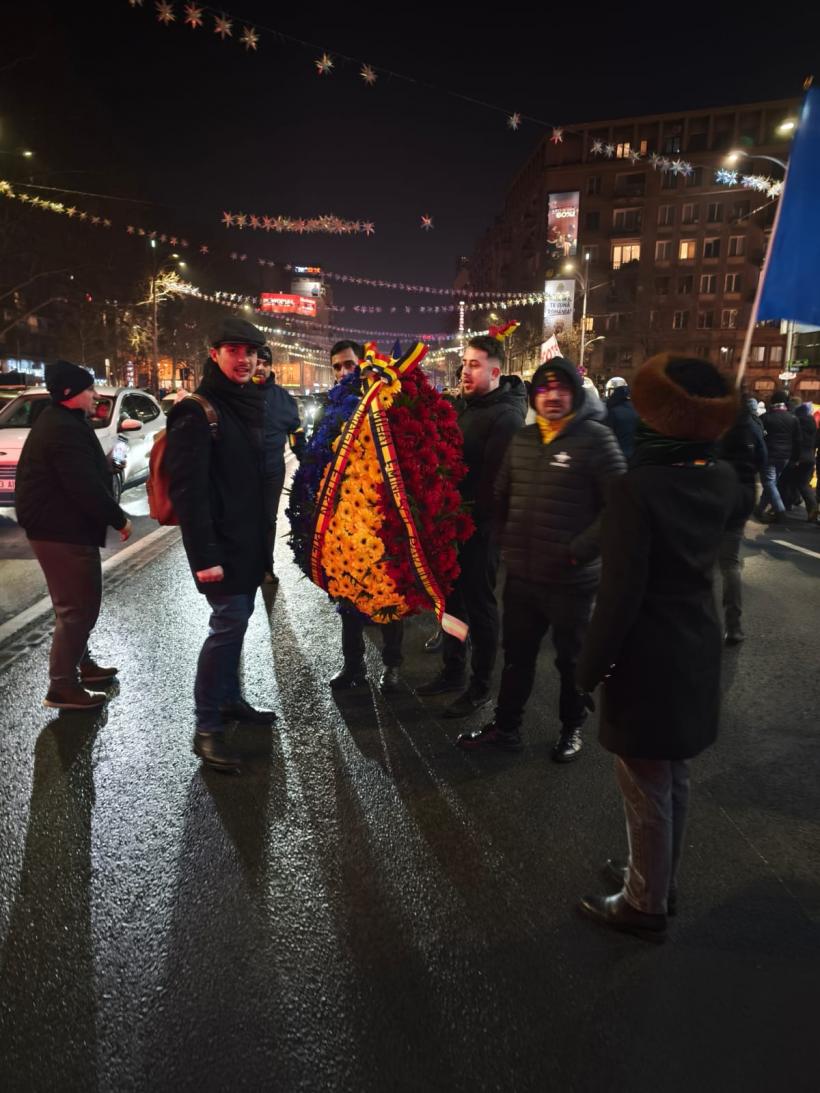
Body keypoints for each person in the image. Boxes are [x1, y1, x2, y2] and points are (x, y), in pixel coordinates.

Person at [575, 354, 741, 943]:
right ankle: (658, 878)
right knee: (673, 775)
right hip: (696, 644)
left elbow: (619, 596)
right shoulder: (720, 478)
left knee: (645, 783)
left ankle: (643, 903)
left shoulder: (638, 488)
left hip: (648, 658)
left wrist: (587, 668)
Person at [456, 357, 626, 759]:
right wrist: (505, 541)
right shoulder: (526, 439)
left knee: (571, 662)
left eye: (561, 389)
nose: (552, 397)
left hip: (572, 580)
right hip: (523, 576)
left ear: (575, 395)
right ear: (535, 395)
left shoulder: (596, 439)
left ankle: (571, 729)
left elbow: (620, 507)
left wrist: (577, 552)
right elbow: (501, 494)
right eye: (544, 389)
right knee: (516, 657)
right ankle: (507, 726)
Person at [166, 317, 275, 773]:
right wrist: (205, 557)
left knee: (239, 624)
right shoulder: (198, 409)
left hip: (248, 541)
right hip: (222, 547)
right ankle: (206, 726)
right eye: (234, 350)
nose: (245, 359)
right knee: (227, 627)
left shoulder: (248, 402)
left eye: (251, 352)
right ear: (215, 354)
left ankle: (229, 701)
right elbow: (188, 492)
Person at [417, 335, 527, 717]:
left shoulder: (506, 417)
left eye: (475, 364)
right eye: (464, 362)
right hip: (453, 527)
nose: (465, 370)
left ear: (495, 371)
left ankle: (480, 685)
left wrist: (467, 522)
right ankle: (453, 670)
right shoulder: (464, 407)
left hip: (480, 531)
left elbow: (496, 487)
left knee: (480, 607)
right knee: (452, 605)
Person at [15, 359, 132, 709]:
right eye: (89, 389)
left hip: (59, 526)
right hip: (62, 530)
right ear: (71, 394)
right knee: (78, 608)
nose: (94, 395)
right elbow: (83, 487)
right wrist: (119, 518)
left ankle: (80, 664)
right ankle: (62, 686)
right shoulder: (62, 428)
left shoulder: (65, 421)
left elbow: (83, 470)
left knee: (73, 605)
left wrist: (109, 463)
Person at [252, 345, 305, 584]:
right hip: (241, 471)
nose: (261, 368)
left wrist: (308, 461)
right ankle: (243, 566)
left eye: (266, 363)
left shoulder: (284, 399)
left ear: (272, 367)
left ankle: (266, 568)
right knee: (241, 518)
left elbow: (295, 433)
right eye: (257, 362)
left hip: (273, 470)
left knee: (267, 520)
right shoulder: (239, 394)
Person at [717, 397, 765, 645]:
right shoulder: (752, 427)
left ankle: (697, 622)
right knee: (730, 563)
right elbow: (763, 459)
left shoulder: (716, 426)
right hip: (744, 494)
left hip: (716, 493)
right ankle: (733, 625)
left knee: (698, 560)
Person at [754, 391, 799, 525]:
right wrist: (795, 458)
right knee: (772, 483)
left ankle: (780, 511)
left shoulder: (765, 418)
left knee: (768, 483)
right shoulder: (793, 418)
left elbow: (760, 438)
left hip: (770, 454)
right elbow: (797, 440)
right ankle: (760, 509)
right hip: (785, 456)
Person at [793, 402, 818, 522]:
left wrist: (796, 458)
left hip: (801, 458)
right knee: (801, 483)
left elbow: (797, 442)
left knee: (802, 484)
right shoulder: (812, 424)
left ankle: (813, 507)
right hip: (810, 457)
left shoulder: (799, 423)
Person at [604, 376, 639, 460]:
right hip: (636, 454)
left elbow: (608, 435)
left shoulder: (614, 411)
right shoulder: (638, 410)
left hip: (617, 453)